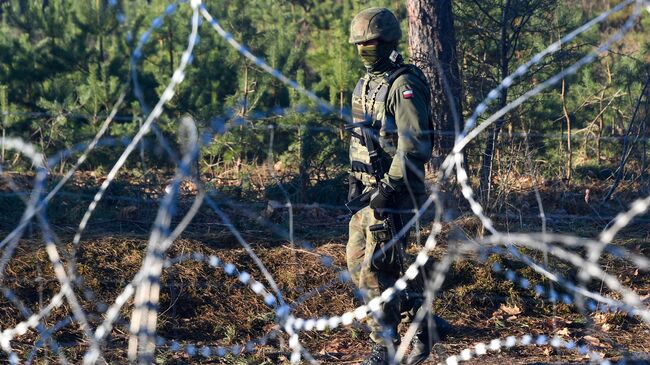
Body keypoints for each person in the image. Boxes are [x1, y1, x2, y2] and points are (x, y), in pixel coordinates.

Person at [345, 7, 450, 365]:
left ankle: (385, 346)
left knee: (377, 269)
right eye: (359, 44)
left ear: (387, 41)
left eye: (370, 43)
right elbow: (363, 137)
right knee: (358, 265)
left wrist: (388, 189)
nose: (364, 50)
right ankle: (422, 320)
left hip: (395, 194)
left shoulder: (404, 84)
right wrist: (355, 182)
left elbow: (415, 143)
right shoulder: (366, 83)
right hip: (368, 193)